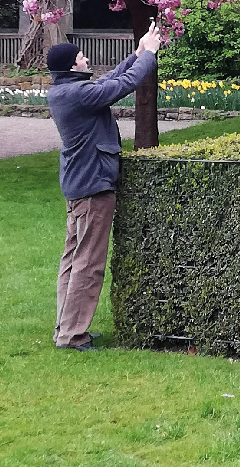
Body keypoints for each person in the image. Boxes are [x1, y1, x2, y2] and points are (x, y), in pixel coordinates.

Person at [46, 22, 163, 351]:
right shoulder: (77, 95)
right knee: (89, 262)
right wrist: (150, 55)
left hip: (80, 185)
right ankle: (73, 336)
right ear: (73, 66)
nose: (86, 60)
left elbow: (109, 80)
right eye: (82, 57)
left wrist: (137, 53)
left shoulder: (67, 91)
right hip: (93, 187)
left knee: (72, 259)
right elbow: (123, 85)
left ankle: (66, 330)